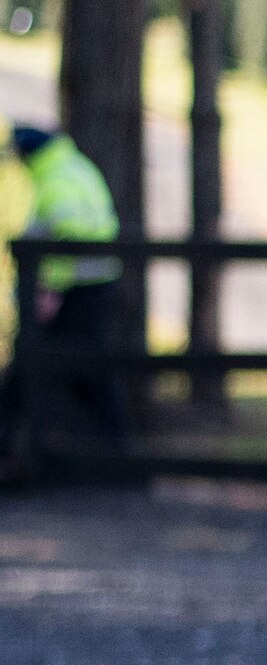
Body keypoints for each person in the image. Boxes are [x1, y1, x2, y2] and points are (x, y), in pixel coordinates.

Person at [10, 116, 130, 451]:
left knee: (72, 367)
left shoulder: (56, 179)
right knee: (64, 367)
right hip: (95, 283)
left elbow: (70, 240)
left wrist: (52, 288)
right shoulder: (73, 166)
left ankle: (114, 450)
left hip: (79, 290)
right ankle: (111, 449)